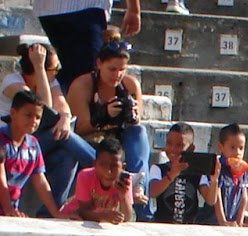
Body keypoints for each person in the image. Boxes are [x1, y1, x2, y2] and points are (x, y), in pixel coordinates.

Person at [3, 42, 94, 208]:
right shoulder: (12, 81)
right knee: (58, 135)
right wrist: (39, 66)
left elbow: (63, 106)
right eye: (55, 69)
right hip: (9, 144)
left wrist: (65, 119)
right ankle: (100, 164)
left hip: (35, 145)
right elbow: (42, 107)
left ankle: (51, 211)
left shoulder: (51, 83)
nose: (57, 73)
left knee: (66, 156)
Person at [66, 40, 146, 190]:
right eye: (112, 69)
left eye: (122, 69)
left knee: (139, 131)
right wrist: (103, 115)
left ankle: (138, 184)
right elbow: (79, 129)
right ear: (99, 64)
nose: (117, 75)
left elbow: (135, 124)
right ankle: (121, 176)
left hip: (118, 143)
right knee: (69, 139)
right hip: (92, 144)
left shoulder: (130, 85)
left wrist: (132, 114)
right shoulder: (83, 85)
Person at [0, 90, 61, 218]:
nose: (34, 121)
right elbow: (1, 180)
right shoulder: (1, 139)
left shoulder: (33, 144)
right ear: (13, 113)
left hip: (11, 210)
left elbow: (40, 181)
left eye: (38, 117)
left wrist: (56, 214)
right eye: (28, 115)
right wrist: (8, 210)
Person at [58, 135, 131, 221]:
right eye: (103, 164)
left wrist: (123, 197)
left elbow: (128, 218)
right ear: (95, 164)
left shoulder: (123, 182)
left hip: (98, 222)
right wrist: (105, 216)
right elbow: (84, 212)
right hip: (71, 217)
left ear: (123, 167)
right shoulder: (85, 176)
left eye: (114, 166)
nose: (108, 171)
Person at [145, 120, 204, 225]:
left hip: (188, 228)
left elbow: (210, 199)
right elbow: (152, 192)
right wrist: (172, 174)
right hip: (162, 226)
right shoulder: (158, 168)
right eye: (169, 143)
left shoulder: (197, 173)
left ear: (191, 149)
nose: (172, 149)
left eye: (179, 145)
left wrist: (214, 179)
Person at [202, 122, 248, 227]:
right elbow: (217, 195)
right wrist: (222, 221)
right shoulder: (217, 166)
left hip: (232, 221)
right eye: (232, 147)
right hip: (212, 221)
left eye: (241, 148)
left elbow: (244, 197)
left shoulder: (243, 169)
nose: (237, 152)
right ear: (221, 147)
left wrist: (240, 222)